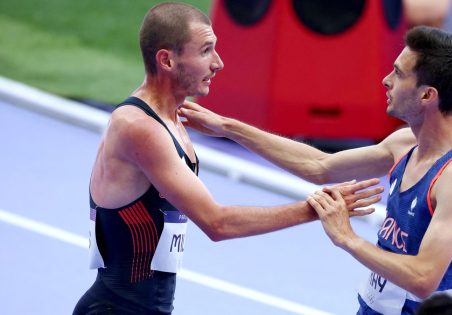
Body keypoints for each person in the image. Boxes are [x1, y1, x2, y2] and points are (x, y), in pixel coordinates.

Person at [72, 3, 382, 315]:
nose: (218, 63)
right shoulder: (139, 127)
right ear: (166, 59)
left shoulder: (174, 119)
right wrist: (315, 209)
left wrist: (229, 128)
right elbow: (217, 223)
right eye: (206, 51)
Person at [180, 26, 452, 315]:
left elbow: (424, 278)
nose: (386, 80)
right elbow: (319, 166)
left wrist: (346, 237)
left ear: (426, 95)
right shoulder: (406, 143)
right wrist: (228, 128)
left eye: (398, 73)